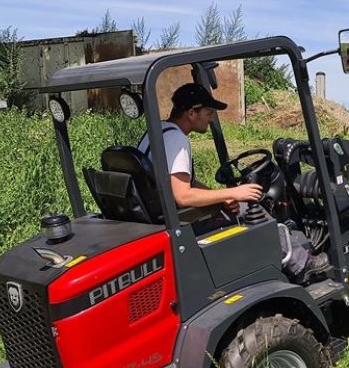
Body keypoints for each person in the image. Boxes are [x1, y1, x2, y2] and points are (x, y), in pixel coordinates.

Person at [138, 82, 329, 284]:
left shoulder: (159, 132)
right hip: (181, 221)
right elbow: (183, 195)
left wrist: (223, 197)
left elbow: (183, 180)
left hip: (163, 216)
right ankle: (301, 264)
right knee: (250, 206)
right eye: (208, 112)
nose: (211, 119)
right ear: (192, 113)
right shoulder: (177, 140)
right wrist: (234, 194)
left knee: (236, 203)